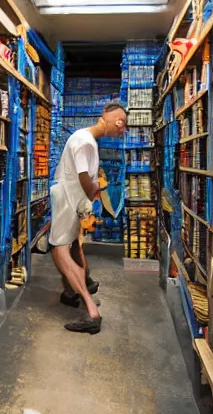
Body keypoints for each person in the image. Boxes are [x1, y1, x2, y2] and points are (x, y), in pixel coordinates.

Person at [50, 102, 127, 334]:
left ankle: (79, 292)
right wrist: (96, 190)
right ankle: (90, 306)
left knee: (74, 246)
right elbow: (84, 179)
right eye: (122, 126)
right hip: (68, 199)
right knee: (60, 250)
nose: (122, 131)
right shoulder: (84, 141)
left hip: (73, 201)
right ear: (117, 122)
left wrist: (93, 192)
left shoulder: (90, 141)